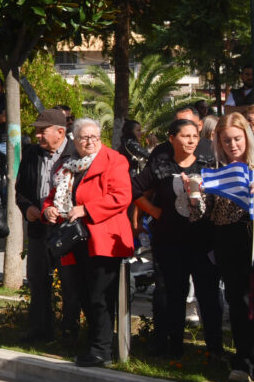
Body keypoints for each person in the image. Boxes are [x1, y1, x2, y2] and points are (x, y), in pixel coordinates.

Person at [41, 118, 134, 367]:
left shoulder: (114, 160)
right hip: (76, 240)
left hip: (104, 240)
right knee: (83, 294)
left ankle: (102, 349)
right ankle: (94, 343)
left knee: (100, 296)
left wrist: (86, 209)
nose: (90, 141)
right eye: (84, 137)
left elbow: (121, 196)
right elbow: (54, 196)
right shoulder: (69, 166)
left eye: (94, 136)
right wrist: (48, 210)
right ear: (75, 140)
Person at [132, 118, 221, 359]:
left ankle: (215, 349)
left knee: (208, 295)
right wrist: (153, 211)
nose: (191, 141)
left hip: (203, 241)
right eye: (185, 136)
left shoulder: (208, 165)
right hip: (170, 242)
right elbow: (134, 189)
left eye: (195, 136)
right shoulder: (160, 166)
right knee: (173, 295)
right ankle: (172, 347)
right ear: (172, 139)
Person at [15, 109, 77, 341]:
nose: (38, 135)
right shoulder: (32, 153)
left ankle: (70, 332)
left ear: (60, 132)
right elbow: (20, 190)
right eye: (37, 131)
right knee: (38, 280)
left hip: (67, 232)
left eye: (43, 131)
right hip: (39, 230)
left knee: (70, 283)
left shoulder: (76, 153)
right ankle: (40, 330)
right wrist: (28, 208)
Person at [201, 113, 254, 382]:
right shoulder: (214, 170)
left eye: (237, 139)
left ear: (247, 137)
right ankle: (243, 361)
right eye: (226, 140)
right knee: (238, 302)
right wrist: (194, 196)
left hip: (252, 236)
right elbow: (203, 214)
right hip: (228, 240)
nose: (233, 145)